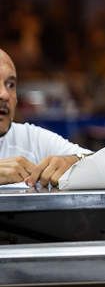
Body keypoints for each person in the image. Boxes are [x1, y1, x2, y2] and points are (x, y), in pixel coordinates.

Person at [0, 49, 92, 187]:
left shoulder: (30, 138)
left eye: (10, 85)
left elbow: (101, 165)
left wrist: (73, 162)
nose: (5, 95)